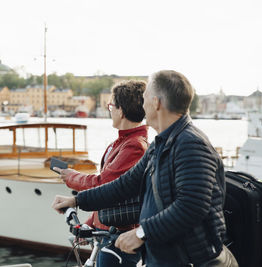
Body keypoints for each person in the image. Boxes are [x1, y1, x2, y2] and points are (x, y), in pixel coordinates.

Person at [52, 70, 238, 266]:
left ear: (156, 102)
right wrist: (76, 200)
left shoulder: (190, 144)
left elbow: (192, 206)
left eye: (145, 97)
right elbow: (124, 185)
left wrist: (141, 233)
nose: (142, 104)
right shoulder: (161, 145)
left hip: (191, 260)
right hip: (165, 257)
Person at [54, 80, 148, 267]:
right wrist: (90, 223)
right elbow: (109, 193)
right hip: (108, 233)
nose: (110, 110)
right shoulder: (122, 142)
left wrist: (70, 176)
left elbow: (104, 184)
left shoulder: (134, 145)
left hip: (118, 238)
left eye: (111, 106)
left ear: (121, 111)